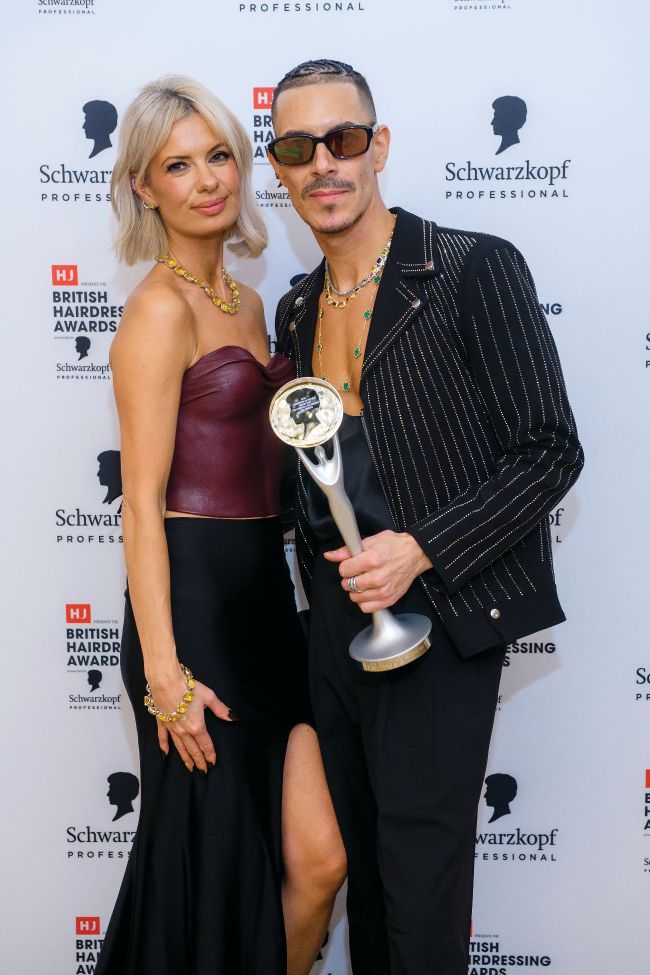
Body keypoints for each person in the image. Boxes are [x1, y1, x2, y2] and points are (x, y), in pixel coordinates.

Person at [269, 59, 583, 975]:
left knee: (420, 890)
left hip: (441, 615)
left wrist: (421, 549)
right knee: (366, 880)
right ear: (280, 169)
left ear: (379, 147)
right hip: (335, 623)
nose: (324, 164)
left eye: (343, 139)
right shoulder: (297, 308)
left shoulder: (471, 268)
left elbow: (549, 450)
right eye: (298, 148)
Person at [95, 75, 345, 975]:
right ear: (143, 186)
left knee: (318, 859)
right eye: (177, 166)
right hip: (192, 611)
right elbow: (142, 507)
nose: (206, 181)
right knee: (210, 869)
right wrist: (165, 673)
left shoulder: (248, 301)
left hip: (269, 605)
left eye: (218, 157)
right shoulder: (157, 312)